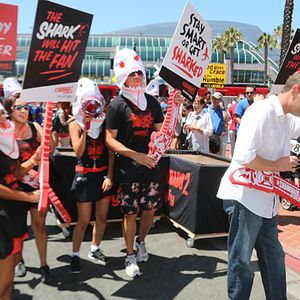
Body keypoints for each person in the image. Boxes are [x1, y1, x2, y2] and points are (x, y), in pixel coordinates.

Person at [217, 71, 300, 300]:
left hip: (266, 200)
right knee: (242, 261)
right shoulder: (261, 112)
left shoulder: (286, 116)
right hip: (244, 197)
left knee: (273, 257)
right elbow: (245, 157)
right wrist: (279, 164)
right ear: (295, 91)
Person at [105, 48, 164, 278]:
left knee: (149, 209)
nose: (137, 76)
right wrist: (135, 155)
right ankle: (129, 255)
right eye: (132, 73)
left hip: (151, 166)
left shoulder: (152, 102)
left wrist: (174, 117)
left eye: (139, 72)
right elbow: (109, 139)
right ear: (123, 77)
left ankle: (141, 242)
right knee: (130, 213)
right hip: (128, 168)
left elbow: (161, 132)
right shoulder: (117, 105)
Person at [4, 95, 54, 283]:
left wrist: (49, 143)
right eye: (18, 107)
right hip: (15, 187)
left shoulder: (36, 127)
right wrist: (34, 159)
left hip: (36, 184)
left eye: (26, 107)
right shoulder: (6, 133)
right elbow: (14, 171)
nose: (24, 111)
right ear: (10, 111)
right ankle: (19, 260)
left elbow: (51, 149)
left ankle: (44, 264)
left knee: (39, 225)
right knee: (18, 229)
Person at [69, 78, 115, 274]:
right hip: (85, 175)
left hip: (102, 174)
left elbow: (111, 151)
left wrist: (109, 176)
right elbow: (78, 151)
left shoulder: (105, 121)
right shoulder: (75, 124)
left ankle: (95, 248)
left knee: (102, 217)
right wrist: (87, 128)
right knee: (83, 220)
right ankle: (75, 255)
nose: (91, 107)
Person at [0, 101, 40, 299]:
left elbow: (15, 173)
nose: (2, 119)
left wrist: (33, 160)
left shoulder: (7, 141)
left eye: (2, 114)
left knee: (8, 281)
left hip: (12, 214)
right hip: (2, 218)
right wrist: (27, 196)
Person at [207, 92, 230, 156]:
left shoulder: (223, 110)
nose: (214, 100)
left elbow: (227, 119)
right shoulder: (208, 109)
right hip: (209, 135)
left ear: (220, 100)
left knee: (219, 155)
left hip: (219, 136)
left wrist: (222, 108)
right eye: (213, 98)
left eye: (216, 99)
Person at [227, 93, 244, 158]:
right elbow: (228, 116)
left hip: (241, 129)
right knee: (233, 146)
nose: (242, 100)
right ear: (237, 99)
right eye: (240, 98)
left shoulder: (245, 106)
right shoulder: (233, 106)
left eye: (243, 98)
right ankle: (232, 158)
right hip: (233, 128)